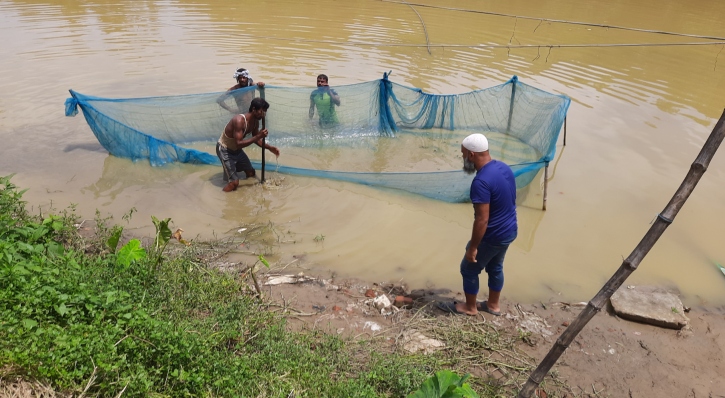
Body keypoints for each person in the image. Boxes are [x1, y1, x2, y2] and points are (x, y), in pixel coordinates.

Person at [439, 133, 518, 316]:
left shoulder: (481, 182)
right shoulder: (504, 168)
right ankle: (493, 305)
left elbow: (482, 219)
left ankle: (470, 308)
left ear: (471, 155)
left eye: (463, 154)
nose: (463, 158)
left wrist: (473, 247)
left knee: (468, 269)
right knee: (495, 267)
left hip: (493, 235)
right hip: (510, 230)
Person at [216, 97, 280, 192]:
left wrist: (269, 148)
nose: (264, 114)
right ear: (254, 109)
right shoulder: (239, 121)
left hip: (236, 150)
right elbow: (239, 143)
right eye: (262, 111)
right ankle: (221, 197)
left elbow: (256, 140)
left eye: (265, 112)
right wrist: (259, 136)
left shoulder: (255, 123)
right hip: (225, 149)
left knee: (251, 173)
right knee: (234, 183)